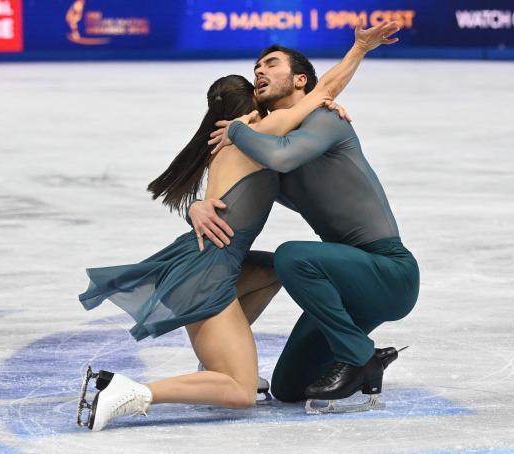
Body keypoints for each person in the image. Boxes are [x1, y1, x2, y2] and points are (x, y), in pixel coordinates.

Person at [75, 21, 398, 431]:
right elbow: (322, 91)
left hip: (209, 260)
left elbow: (314, 101)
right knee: (241, 391)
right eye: (256, 76)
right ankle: (128, 392)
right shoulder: (253, 134)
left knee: (271, 270)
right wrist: (357, 52)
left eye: (268, 66)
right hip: (209, 269)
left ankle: (214, 362)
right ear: (249, 110)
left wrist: (196, 205)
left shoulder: (231, 145)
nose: (261, 75)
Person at [190, 20, 417, 411]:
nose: (259, 70)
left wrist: (239, 130)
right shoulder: (266, 142)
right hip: (345, 281)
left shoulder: (325, 119)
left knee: (291, 255)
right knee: (290, 387)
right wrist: (199, 203)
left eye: (271, 64)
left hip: (388, 271)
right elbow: (238, 188)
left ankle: (358, 355)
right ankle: (366, 355)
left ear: (300, 81)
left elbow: (283, 153)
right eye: (256, 66)